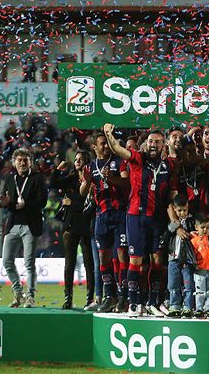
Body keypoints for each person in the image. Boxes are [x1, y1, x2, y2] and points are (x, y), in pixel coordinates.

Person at [103, 123, 178, 317]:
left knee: (157, 261)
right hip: (136, 217)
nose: (154, 144)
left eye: (159, 142)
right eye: (151, 141)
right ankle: (134, 303)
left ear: (164, 145)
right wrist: (109, 134)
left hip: (157, 219)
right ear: (145, 144)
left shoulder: (169, 165)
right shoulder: (137, 158)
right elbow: (118, 149)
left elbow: (172, 192)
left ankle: (154, 302)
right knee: (135, 260)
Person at [80, 133, 130, 313]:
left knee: (123, 255)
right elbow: (82, 192)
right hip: (101, 215)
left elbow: (127, 183)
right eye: (102, 144)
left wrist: (111, 179)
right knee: (103, 256)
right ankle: (110, 296)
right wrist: (86, 180)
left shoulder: (119, 162)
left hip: (120, 214)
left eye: (108, 144)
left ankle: (124, 295)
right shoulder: (90, 167)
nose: (106, 147)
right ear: (94, 147)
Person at [0, 147, 47, 308]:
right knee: (6, 261)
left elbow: (43, 201)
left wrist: (27, 204)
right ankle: (18, 292)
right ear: (14, 163)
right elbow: (3, 201)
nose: (22, 163)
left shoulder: (37, 178)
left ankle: (30, 296)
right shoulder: (9, 178)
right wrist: (4, 202)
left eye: (25, 160)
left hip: (30, 225)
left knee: (29, 263)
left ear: (30, 163)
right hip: (12, 225)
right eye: (19, 160)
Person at [51, 151, 96, 309]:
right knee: (69, 264)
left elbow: (89, 204)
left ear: (87, 161)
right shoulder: (71, 178)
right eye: (75, 159)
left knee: (89, 264)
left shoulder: (92, 179)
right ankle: (68, 298)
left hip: (86, 226)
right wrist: (57, 169)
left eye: (80, 159)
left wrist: (72, 203)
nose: (77, 162)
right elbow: (55, 183)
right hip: (70, 226)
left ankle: (90, 298)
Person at [165, 195, 197, 318]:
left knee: (188, 284)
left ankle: (188, 307)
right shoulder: (173, 222)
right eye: (179, 210)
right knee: (173, 284)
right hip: (173, 258)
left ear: (188, 208)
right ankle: (174, 306)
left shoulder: (191, 221)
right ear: (174, 209)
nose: (182, 213)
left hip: (187, 259)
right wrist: (175, 226)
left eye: (184, 210)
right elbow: (167, 235)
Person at [191, 212, 209, 318]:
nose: (205, 230)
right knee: (200, 292)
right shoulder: (193, 241)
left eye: (207, 227)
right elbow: (190, 256)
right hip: (199, 271)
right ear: (196, 227)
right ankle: (199, 309)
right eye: (202, 227)